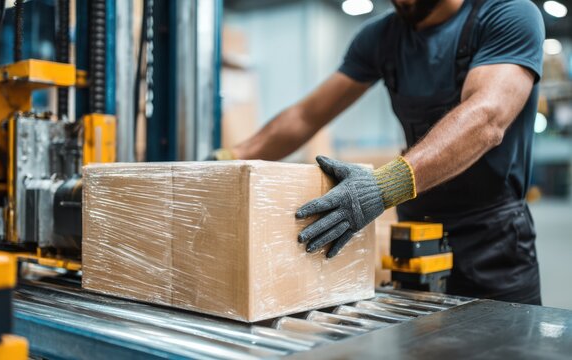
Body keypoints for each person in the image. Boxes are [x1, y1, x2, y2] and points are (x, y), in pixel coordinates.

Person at [210, 0, 545, 305]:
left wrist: (385, 185)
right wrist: (228, 159)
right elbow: (306, 116)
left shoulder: (507, 14)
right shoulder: (383, 36)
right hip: (417, 231)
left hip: (494, 240)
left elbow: (486, 118)